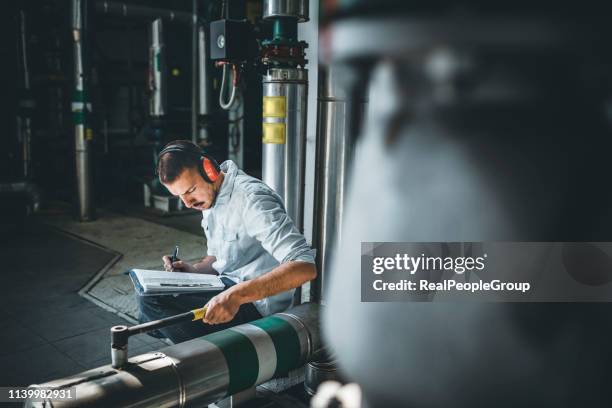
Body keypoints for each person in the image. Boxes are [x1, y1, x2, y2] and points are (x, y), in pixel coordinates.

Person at [137, 140, 317, 343]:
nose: (187, 203)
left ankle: (211, 353)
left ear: (209, 170)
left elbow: (304, 266)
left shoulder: (251, 199)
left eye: (190, 191)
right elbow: (217, 259)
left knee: (154, 306)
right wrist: (192, 271)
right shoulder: (211, 197)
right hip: (226, 287)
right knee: (148, 297)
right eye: (179, 196)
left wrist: (236, 296)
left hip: (255, 303)